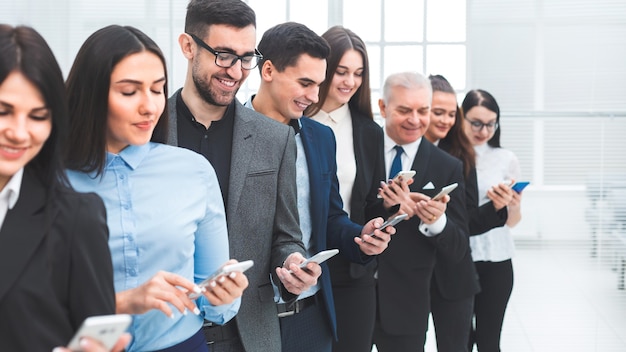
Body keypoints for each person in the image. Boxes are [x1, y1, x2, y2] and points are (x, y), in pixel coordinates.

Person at [64, 25, 248, 352]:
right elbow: (26, 301)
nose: (150, 107)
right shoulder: (48, 180)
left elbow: (214, 304)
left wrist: (224, 296)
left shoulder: (193, 172)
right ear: (91, 94)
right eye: (129, 91)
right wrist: (122, 301)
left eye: (157, 89)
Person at [167, 1, 316, 351]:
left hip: (249, 335)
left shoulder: (276, 139)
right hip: (165, 331)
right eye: (223, 55)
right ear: (188, 47)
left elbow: (287, 237)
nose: (235, 71)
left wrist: (293, 263)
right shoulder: (149, 129)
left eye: (246, 57)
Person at [246, 21, 394, 352]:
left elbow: (330, 217)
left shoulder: (319, 137)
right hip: (248, 318)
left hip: (310, 316)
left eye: (318, 84)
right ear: (267, 69)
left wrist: (361, 237)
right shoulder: (229, 133)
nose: (315, 96)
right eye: (305, 83)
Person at [0, 24, 116, 350]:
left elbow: (97, 339)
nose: (20, 133)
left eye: (38, 116)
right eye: (3, 111)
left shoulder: (78, 218)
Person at [372, 71, 469, 352]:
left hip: (407, 302)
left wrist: (437, 221)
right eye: (404, 110)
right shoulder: (360, 148)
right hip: (353, 292)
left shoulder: (447, 166)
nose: (415, 120)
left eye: (423, 111)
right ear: (383, 107)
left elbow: (459, 245)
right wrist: (386, 206)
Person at [303, 25, 385, 352]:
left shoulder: (368, 131)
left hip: (351, 270)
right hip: (301, 267)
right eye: (341, 71)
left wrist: (391, 207)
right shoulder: (292, 119)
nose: (350, 82)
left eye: (358, 73)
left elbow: (370, 204)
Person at [424, 75, 511, 352]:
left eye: (450, 114)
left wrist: (498, 208)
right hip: (407, 273)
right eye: (438, 112)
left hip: (454, 272)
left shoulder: (460, 155)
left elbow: (467, 220)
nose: (445, 120)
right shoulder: (394, 150)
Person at [462, 89, 522, 352]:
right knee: (460, 340)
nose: (484, 130)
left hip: (498, 261)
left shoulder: (506, 158)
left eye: (490, 124)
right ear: (460, 119)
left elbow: (512, 222)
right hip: (460, 260)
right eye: (476, 122)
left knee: (489, 342)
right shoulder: (447, 155)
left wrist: (512, 206)